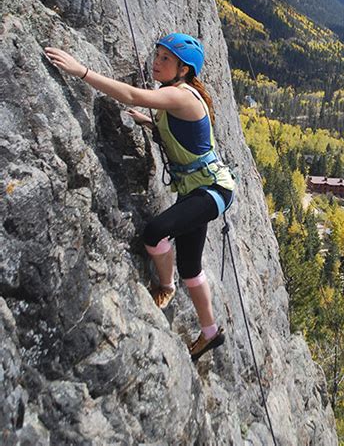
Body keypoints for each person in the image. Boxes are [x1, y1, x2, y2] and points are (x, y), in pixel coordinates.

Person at [44, 33, 235, 361]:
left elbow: (132, 94)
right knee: (191, 268)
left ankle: (166, 286)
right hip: (199, 189)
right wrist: (149, 122)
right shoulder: (176, 94)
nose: (156, 62)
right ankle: (209, 332)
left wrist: (82, 71)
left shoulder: (183, 96)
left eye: (165, 59)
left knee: (153, 233)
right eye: (157, 55)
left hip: (210, 190)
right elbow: (183, 136)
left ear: (184, 69)